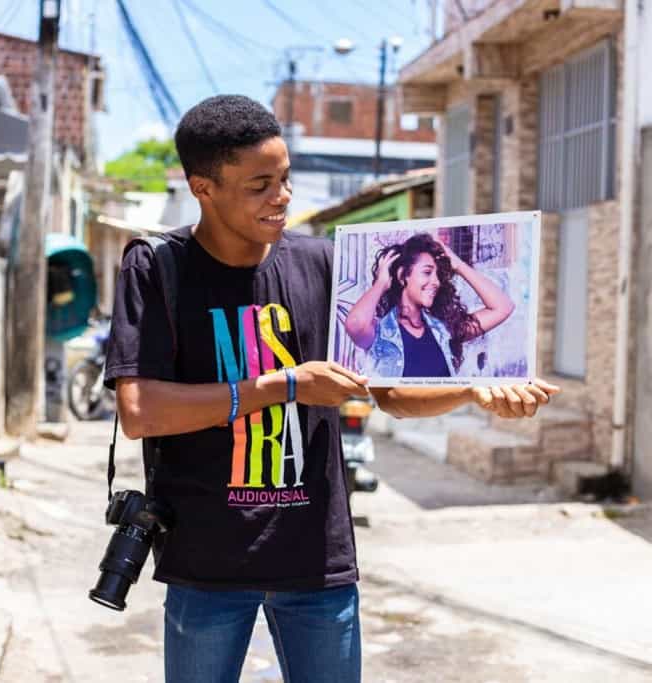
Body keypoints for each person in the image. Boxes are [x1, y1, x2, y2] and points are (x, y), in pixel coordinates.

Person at [104, 94, 558, 683]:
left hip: (315, 556)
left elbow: (390, 393)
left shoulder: (323, 264)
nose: (283, 196)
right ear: (203, 188)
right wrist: (286, 384)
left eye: (286, 178)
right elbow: (140, 411)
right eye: (259, 184)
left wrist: (472, 391)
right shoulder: (156, 266)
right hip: (205, 557)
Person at [344, 232, 515, 378]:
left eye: (437, 275)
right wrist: (381, 283)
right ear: (403, 275)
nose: (436, 282)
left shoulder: (445, 329)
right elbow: (355, 324)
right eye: (427, 272)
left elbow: (503, 307)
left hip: (441, 416)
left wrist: (459, 265)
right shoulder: (379, 333)